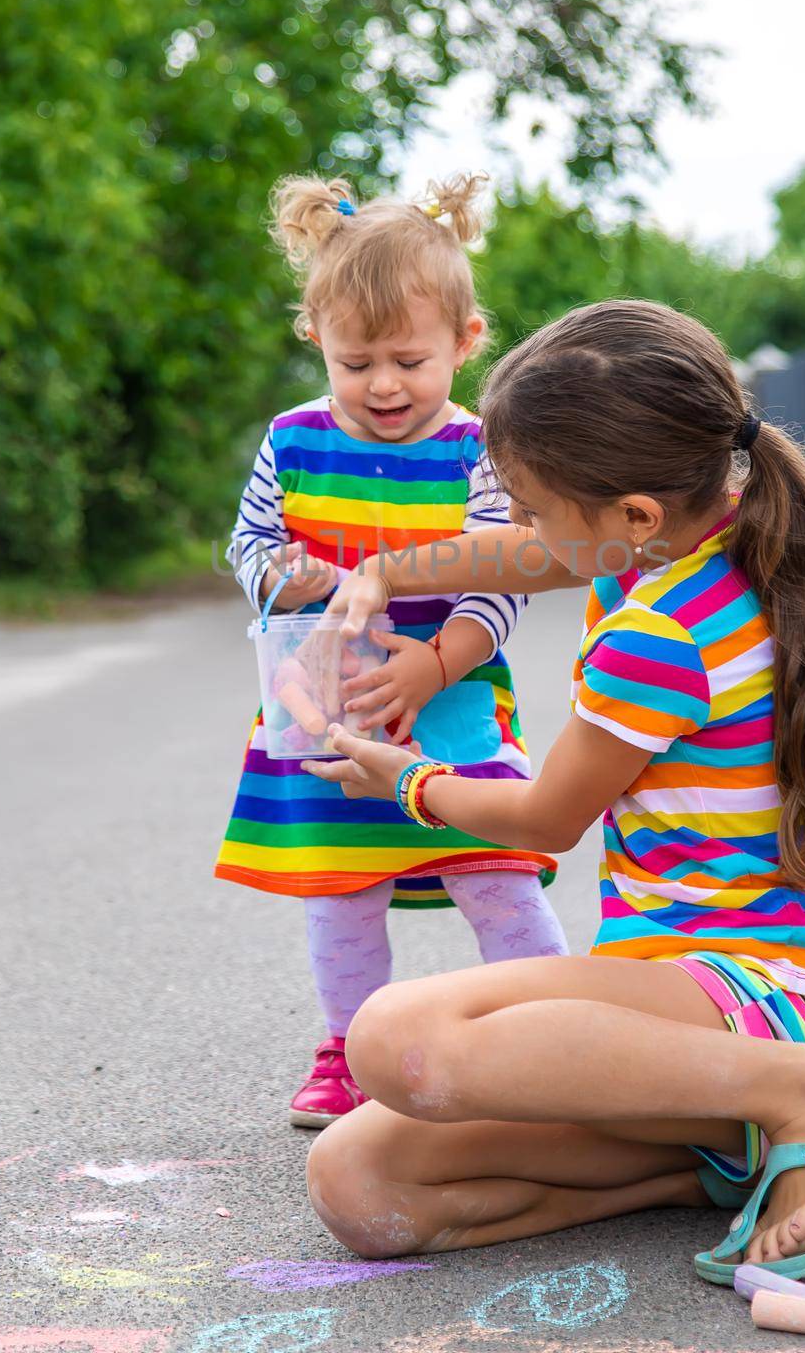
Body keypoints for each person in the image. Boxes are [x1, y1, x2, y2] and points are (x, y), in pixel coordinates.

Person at [302, 298, 805, 1278]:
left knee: (397, 1036)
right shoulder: (719, 540)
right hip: (687, 1004)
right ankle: (725, 1159)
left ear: (631, 516)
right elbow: (526, 554)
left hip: (746, 989)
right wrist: (382, 572)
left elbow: (544, 818)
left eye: (529, 501)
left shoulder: (662, 631)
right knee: (356, 1184)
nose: (517, 525)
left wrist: (412, 782)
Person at [215, 172, 568, 1129]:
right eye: (354, 360)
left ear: (465, 342)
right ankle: (349, 1047)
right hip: (323, 700)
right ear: (316, 342)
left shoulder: (480, 448)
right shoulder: (291, 442)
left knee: (493, 868)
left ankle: (554, 1029)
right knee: (342, 885)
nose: (381, 384)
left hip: (450, 693)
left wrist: (437, 662)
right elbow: (247, 547)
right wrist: (276, 575)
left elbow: (506, 574)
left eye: (409, 360)